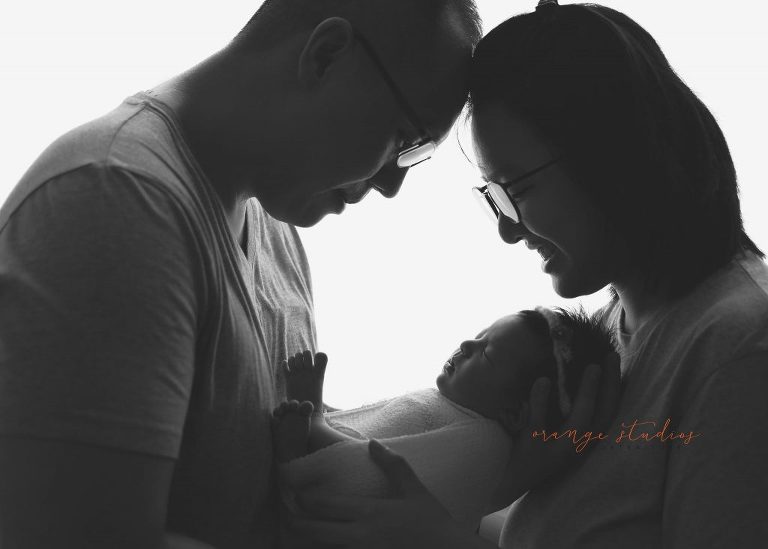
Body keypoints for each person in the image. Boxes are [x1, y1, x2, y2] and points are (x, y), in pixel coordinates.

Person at [0, 1, 484, 548]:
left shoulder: (275, 235)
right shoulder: (114, 202)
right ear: (326, 57)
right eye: (404, 138)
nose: (393, 184)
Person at [288, 2, 768, 548]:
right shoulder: (609, 332)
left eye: (518, 189)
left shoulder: (740, 349)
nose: (509, 230)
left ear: (610, 160)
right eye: (495, 197)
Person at [273, 307, 616, 530]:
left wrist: (315, 418)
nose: (467, 344)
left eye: (487, 353)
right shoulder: (453, 409)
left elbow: (376, 476)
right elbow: (379, 432)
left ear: (513, 413)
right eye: (480, 334)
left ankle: (300, 457)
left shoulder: (481, 443)